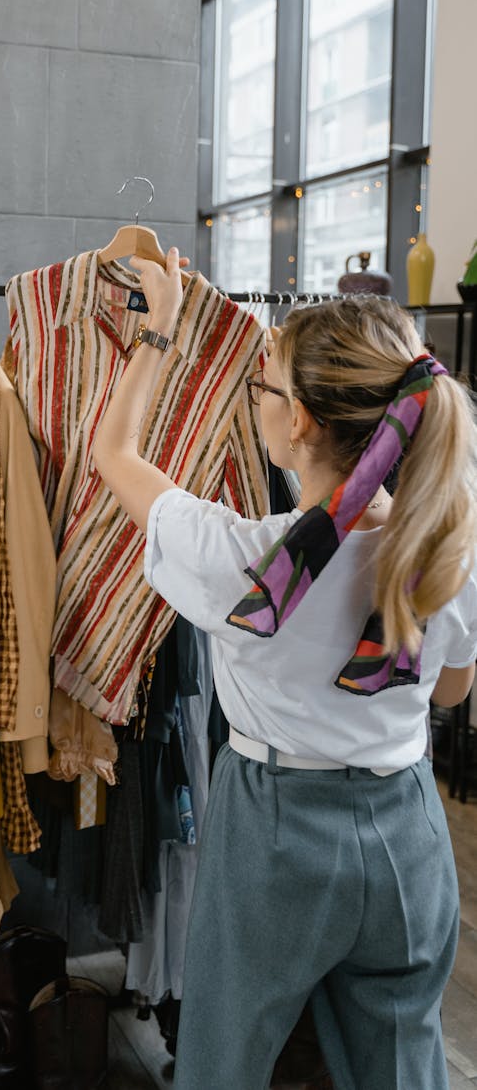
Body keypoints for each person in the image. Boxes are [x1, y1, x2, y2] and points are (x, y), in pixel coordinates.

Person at [92, 248, 477, 1090]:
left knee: (225, 1059)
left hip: (274, 827)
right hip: (408, 827)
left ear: (298, 422)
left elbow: (112, 453)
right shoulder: (449, 546)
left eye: (262, 389)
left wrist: (157, 330)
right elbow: (450, 690)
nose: (256, 399)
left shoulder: (241, 562)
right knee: (404, 1060)